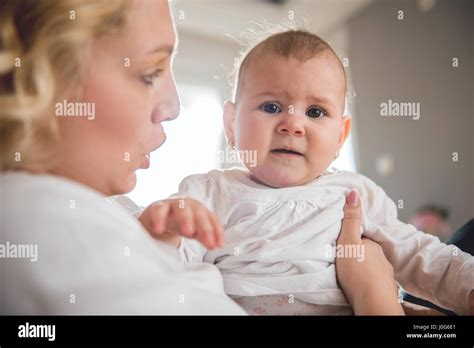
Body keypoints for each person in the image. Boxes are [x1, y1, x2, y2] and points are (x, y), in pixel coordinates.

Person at [0, 0, 403, 315]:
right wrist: (376, 298)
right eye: (149, 72)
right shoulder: (36, 221)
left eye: (316, 112)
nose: (173, 105)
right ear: (42, 76)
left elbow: (422, 253)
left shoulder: (106, 220)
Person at [138, 30, 474, 315]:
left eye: (315, 111)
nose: (293, 124)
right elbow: (170, 270)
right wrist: (168, 234)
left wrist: (467, 286)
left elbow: (418, 252)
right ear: (231, 124)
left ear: (341, 136)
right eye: (271, 107)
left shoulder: (352, 194)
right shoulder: (209, 192)